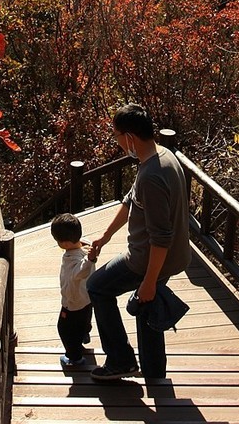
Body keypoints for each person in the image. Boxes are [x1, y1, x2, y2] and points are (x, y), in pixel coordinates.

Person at [86, 103, 190, 381]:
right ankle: (154, 375)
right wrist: (105, 236)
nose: (118, 143)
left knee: (97, 287)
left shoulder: (151, 176)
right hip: (172, 258)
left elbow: (161, 237)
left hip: (147, 260)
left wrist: (148, 280)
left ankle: (120, 360)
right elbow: (131, 201)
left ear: (129, 136)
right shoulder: (162, 156)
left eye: (117, 137)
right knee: (147, 309)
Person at [50, 212, 95, 368]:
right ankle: (84, 334)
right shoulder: (86, 247)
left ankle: (74, 358)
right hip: (87, 298)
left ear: (66, 244)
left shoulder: (74, 260)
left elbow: (81, 271)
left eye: (58, 241)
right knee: (84, 320)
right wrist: (90, 257)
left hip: (72, 302)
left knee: (65, 329)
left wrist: (89, 261)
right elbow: (85, 250)